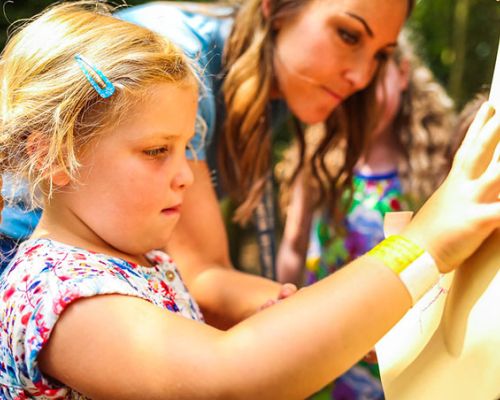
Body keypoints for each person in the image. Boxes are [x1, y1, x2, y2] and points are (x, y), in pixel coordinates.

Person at [0, 2, 499, 399]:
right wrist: (420, 243)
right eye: (156, 151)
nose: (187, 178)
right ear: (56, 156)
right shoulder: (56, 294)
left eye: (186, 147)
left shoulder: (138, 262)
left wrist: (315, 320)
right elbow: (229, 374)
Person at [0, 0, 419, 327]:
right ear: (276, 8)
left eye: (381, 54)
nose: (362, 76)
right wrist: (341, 316)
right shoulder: (179, 63)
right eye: (348, 35)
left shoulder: (277, 87)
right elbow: (202, 276)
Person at [275, 34, 456, 398]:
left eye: (376, 82)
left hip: (396, 343)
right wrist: (281, 316)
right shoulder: (318, 156)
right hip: (325, 340)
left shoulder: (434, 163)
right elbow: (294, 246)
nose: (363, 98)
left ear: (402, 74)